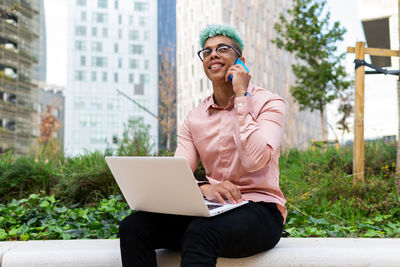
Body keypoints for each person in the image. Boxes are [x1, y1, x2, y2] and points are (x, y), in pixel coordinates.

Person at [119, 24, 286, 267]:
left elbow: (254, 159)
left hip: (260, 211)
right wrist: (202, 188)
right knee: (133, 227)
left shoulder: (270, 103)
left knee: (201, 232)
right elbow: (177, 174)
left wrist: (242, 97)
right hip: (212, 210)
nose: (213, 55)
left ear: (242, 61)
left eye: (222, 48)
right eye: (206, 52)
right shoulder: (194, 118)